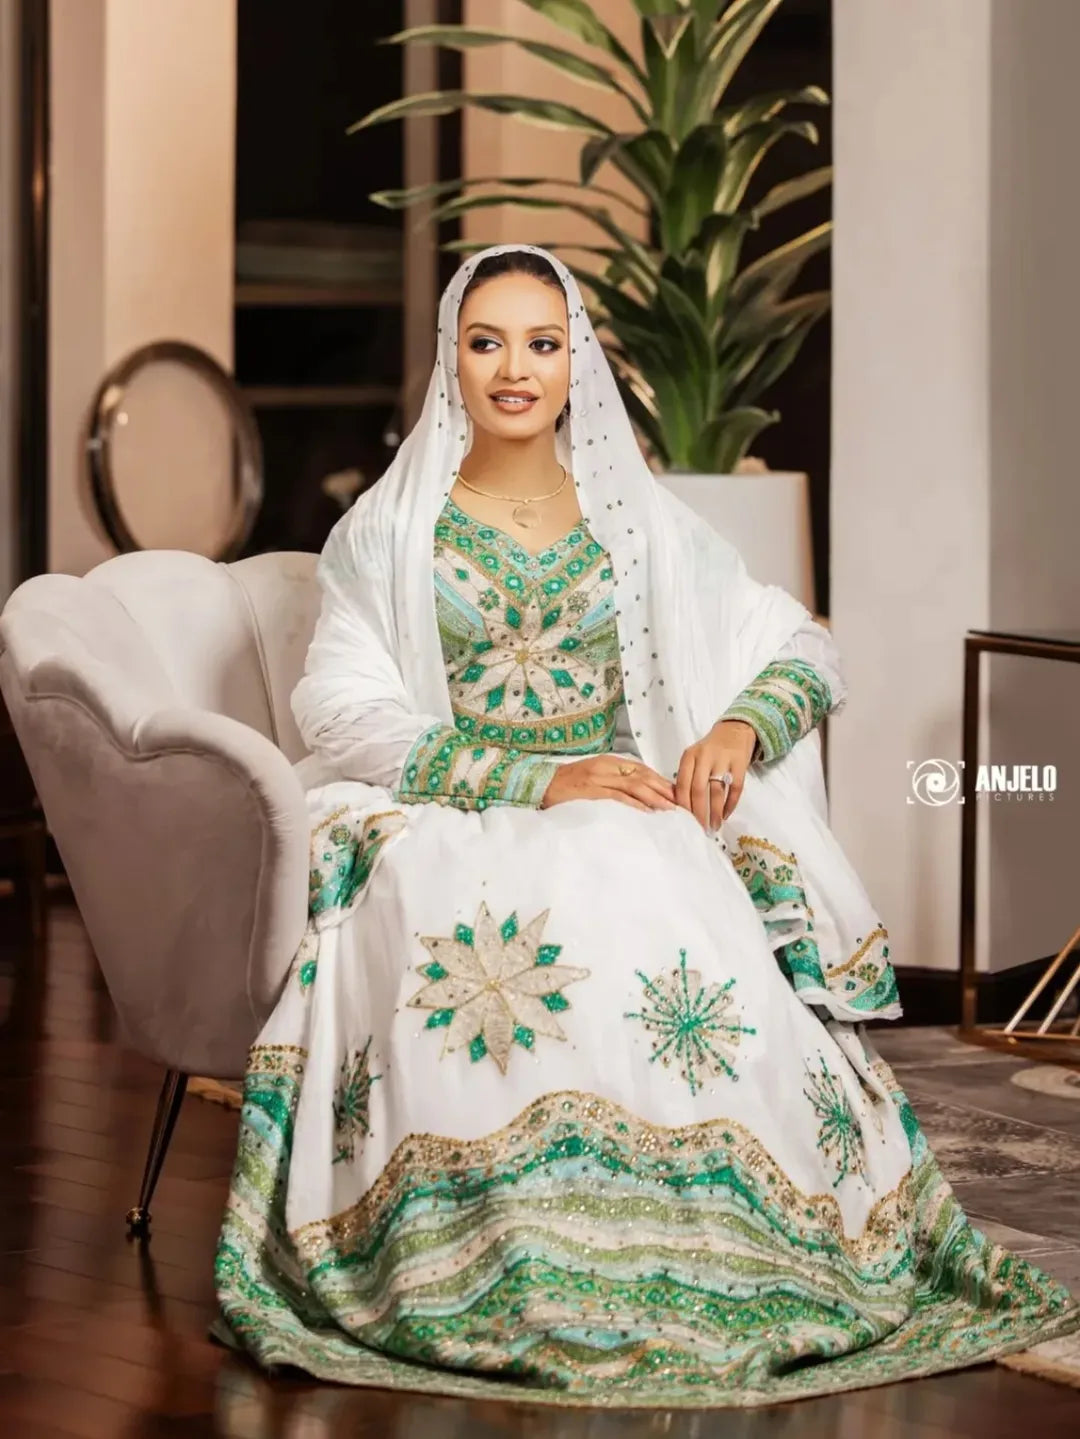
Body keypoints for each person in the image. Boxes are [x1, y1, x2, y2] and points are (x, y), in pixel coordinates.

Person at [214, 244, 1078, 1407]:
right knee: (480, 890)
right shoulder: (392, 527)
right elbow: (340, 706)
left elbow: (799, 641)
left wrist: (735, 728)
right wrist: (529, 779)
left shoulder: (636, 524)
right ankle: (505, 1249)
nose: (514, 368)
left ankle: (713, 1241)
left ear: (576, 362)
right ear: (449, 361)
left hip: (626, 799)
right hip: (451, 807)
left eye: (541, 341)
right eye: (486, 342)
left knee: (647, 862)